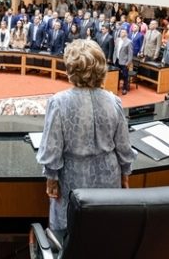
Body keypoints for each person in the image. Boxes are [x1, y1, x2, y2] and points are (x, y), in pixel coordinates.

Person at [37, 39, 135, 232]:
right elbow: (123, 146)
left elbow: (52, 148)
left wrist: (51, 177)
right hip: (109, 179)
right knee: (104, 232)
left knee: (72, 234)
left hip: (73, 182)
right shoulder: (114, 101)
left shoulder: (58, 102)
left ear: (70, 69)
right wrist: (125, 174)